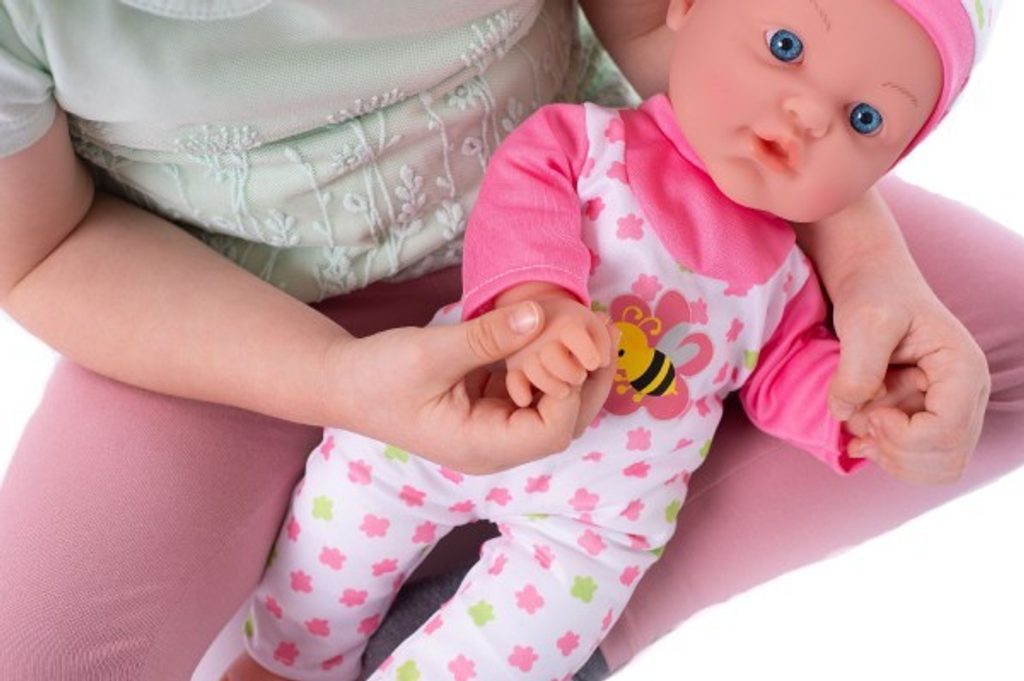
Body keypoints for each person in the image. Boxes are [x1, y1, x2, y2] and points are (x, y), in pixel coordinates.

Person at [0, 1, 1018, 680]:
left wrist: (864, 375)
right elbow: (40, 252)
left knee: (990, 373)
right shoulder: (586, 152)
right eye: (789, 58)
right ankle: (300, 648)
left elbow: (787, 363)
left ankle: (534, 632)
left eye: (865, 122)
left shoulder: (773, 268)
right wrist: (357, 369)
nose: (808, 115)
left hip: (598, 489)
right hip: (217, 318)